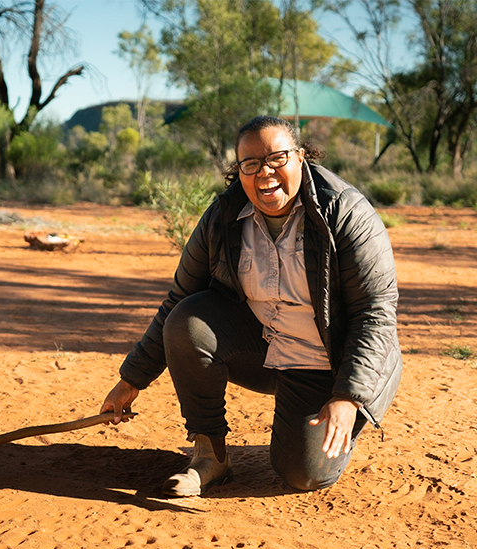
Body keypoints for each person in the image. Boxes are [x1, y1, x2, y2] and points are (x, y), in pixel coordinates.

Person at [101, 115, 401, 497]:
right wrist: (131, 381)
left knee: (303, 474)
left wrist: (349, 396)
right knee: (186, 321)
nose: (265, 172)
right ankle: (210, 456)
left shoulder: (344, 212)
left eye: (277, 158)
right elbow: (178, 299)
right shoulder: (223, 217)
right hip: (266, 350)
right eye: (251, 164)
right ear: (238, 171)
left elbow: (374, 312)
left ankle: (330, 421)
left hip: (332, 364)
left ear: (301, 157)